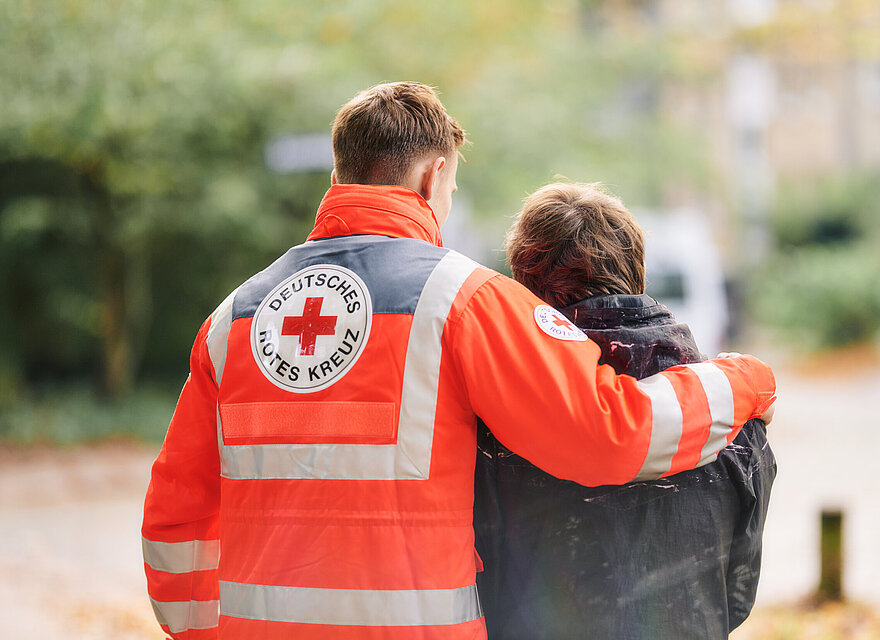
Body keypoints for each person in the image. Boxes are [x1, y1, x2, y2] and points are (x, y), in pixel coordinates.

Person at [141, 83, 776, 640]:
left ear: (339, 177)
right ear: (431, 177)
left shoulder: (233, 319)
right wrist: (744, 378)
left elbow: (177, 514)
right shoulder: (460, 300)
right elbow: (608, 431)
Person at [474, 182, 777, 640]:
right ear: (636, 270)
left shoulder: (497, 418)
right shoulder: (735, 413)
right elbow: (736, 595)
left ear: (524, 283)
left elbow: (482, 581)